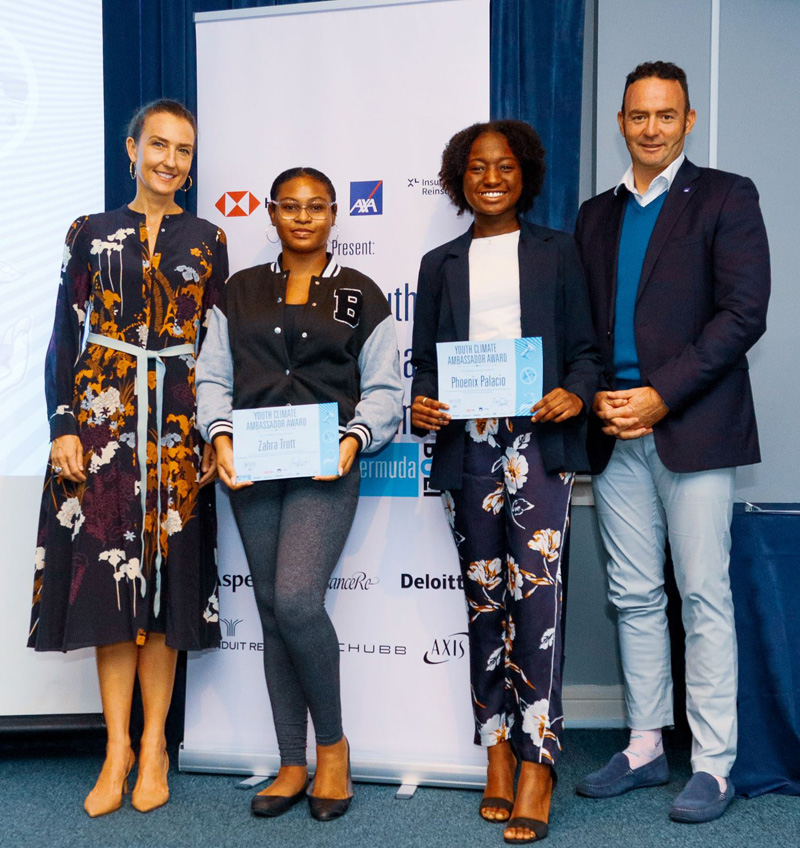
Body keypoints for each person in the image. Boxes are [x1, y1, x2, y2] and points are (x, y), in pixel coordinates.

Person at [573, 61, 770, 823]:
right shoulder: (596, 215)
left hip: (693, 425)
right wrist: (596, 393)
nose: (650, 128)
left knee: (702, 594)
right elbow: (583, 325)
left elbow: (743, 313)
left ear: (687, 121)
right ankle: (646, 746)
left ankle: (714, 765)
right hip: (614, 428)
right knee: (632, 595)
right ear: (621, 122)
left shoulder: (726, 195)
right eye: (638, 115)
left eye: (665, 115)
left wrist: (662, 394)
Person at [28, 100, 228, 816]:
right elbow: (63, 334)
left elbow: (217, 347)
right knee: (110, 593)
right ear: (132, 149)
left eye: (184, 150)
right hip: (101, 425)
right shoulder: (89, 231)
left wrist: (215, 431)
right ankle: (115, 749)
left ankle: (154, 748)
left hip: (176, 429)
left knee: (165, 594)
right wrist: (62, 426)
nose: (171, 160)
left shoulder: (209, 239)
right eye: (159, 145)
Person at [410, 121, 602, 844]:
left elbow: (586, 352)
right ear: (459, 178)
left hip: (538, 442)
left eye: (505, 166)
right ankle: (495, 748)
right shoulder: (439, 263)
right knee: (484, 596)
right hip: (469, 444)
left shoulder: (559, 251)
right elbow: (427, 364)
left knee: (538, 599)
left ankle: (538, 762)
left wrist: (575, 393)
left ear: (526, 175)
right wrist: (423, 402)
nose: (491, 178)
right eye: (477, 167)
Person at [196, 166, 403, 822]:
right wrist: (220, 436)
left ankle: (333, 750)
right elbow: (212, 377)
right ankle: (291, 761)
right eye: (291, 206)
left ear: (335, 213)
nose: (304, 217)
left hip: (325, 468)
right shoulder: (239, 290)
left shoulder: (362, 292)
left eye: (317, 206)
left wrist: (355, 439)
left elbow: (385, 389)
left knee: (295, 600)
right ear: (272, 213)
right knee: (270, 610)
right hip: (253, 468)